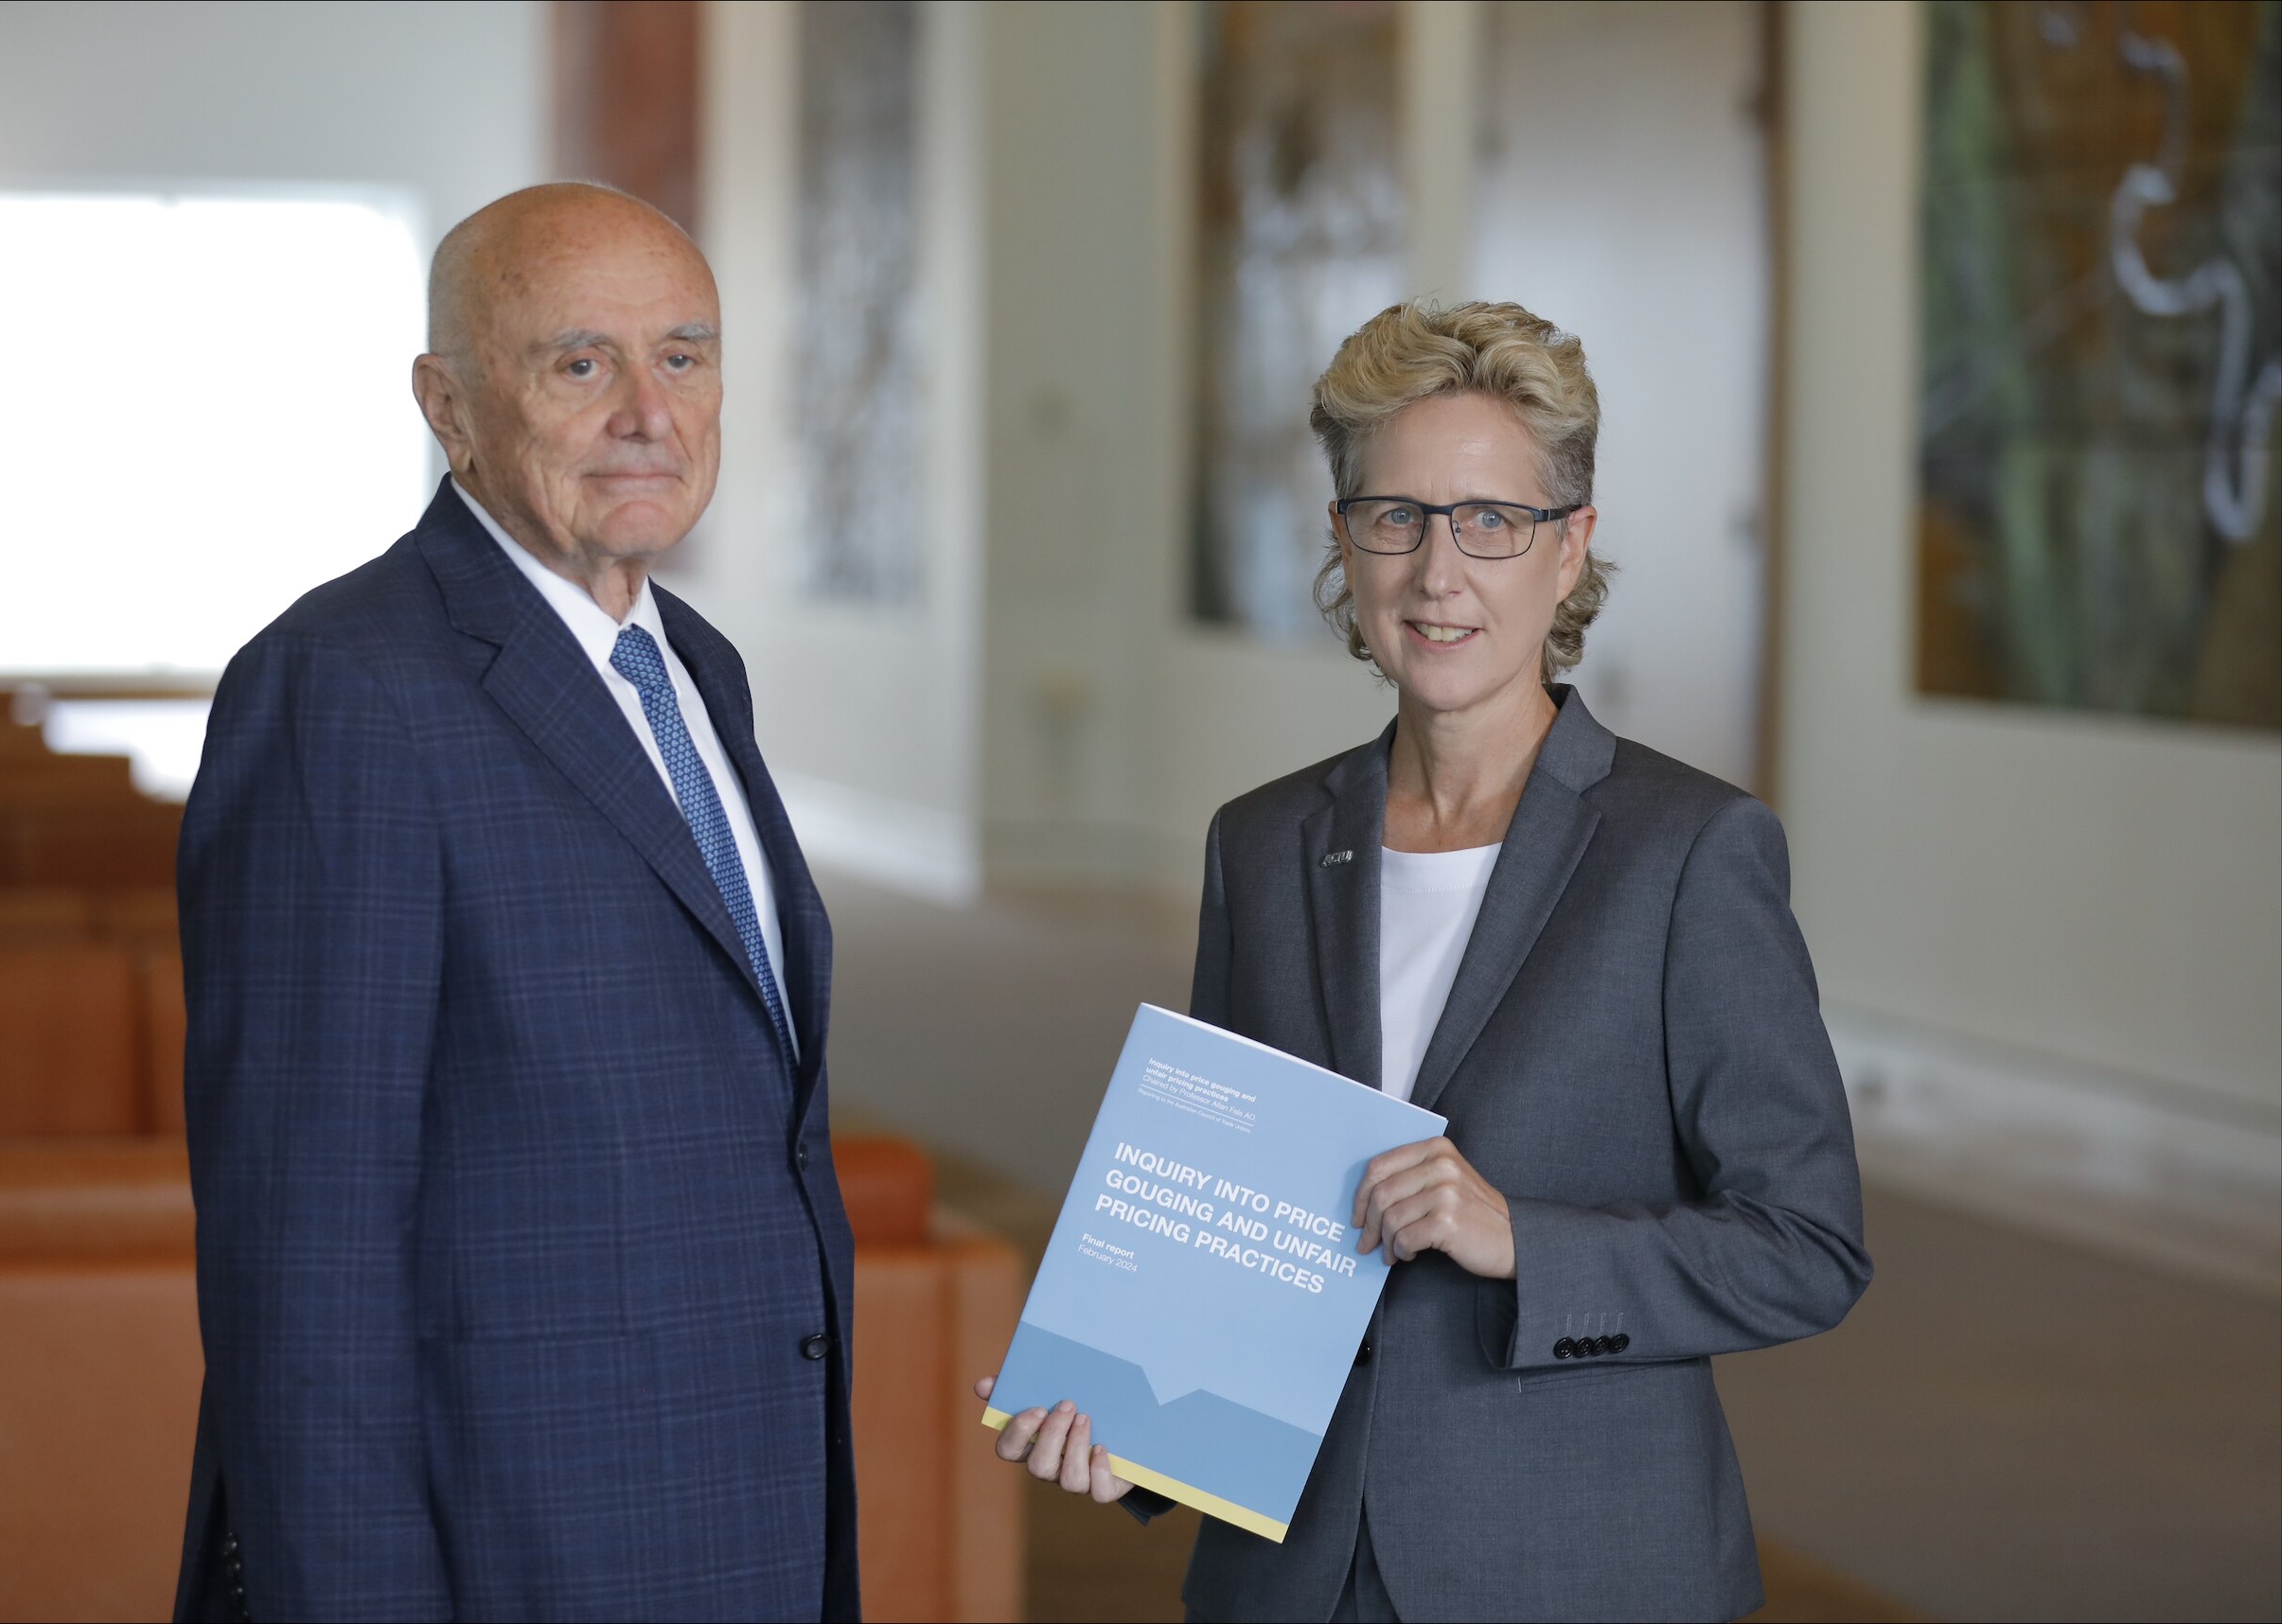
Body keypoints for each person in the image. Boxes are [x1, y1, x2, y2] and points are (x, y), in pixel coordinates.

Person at [977, 300, 1871, 1621]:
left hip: (1575, 1568)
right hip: (1296, 1572)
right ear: (1343, 544)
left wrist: (1522, 1241)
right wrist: (1137, 1434)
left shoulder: (1689, 854)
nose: (1437, 573)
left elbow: (1804, 1245)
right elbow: (1238, 1230)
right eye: (1394, 517)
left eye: (1489, 522)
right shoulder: (1263, 844)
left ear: (1568, 552)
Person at [173, 183, 858, 1622]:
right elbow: (303, 1255)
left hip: (737, 1520)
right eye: (576, 362)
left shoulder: (694, 670)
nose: (646, 412)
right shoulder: (342, 691)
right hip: (507, 1551)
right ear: (448, 402)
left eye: (682, 355)